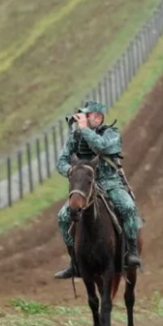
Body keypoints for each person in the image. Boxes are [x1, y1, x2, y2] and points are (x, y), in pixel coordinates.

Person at [53, 101, 141, 279]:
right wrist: (71, 171)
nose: (82, 119)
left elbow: (101, 146)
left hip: (110, 182)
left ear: (98, 118)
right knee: (63, 217)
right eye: (82, 116)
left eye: (87, 116)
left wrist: (84, 129)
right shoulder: (75, 137)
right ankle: (74, 261)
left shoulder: (111, 134)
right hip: (84, 186)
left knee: (128, 208)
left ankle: (131, 252)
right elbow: (61, 160)